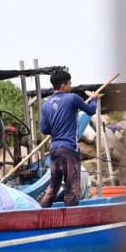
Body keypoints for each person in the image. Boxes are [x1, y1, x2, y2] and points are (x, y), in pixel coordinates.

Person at [39, 70, 99, 207]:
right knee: (72, 188)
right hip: (69, 149)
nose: (70, 86)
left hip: (54, 150)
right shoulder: (72, 98)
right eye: (69, 83)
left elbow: (44, 129)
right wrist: (94, 98)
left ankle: (41, 212)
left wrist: (57, 126)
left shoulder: (46, 105)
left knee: (53, 188)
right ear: (63, 85)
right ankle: (72, 217)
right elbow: (91, 110)